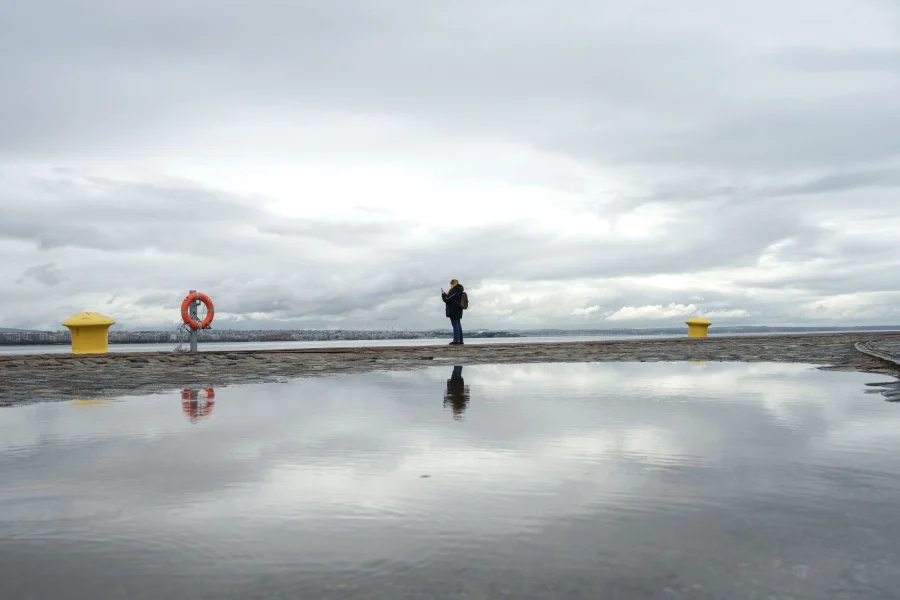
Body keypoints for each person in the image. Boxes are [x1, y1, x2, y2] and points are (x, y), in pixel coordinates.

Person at [441, 279, 465, 345]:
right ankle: (460, 340)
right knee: (458, 324)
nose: (450, 286)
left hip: (453, 309)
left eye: (451, 284)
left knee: (455, 324)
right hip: (459, 309)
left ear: (453, 284)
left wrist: (443, 295)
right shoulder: (460, 290)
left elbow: (447, 299)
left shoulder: (454, 290)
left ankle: (456, 340)